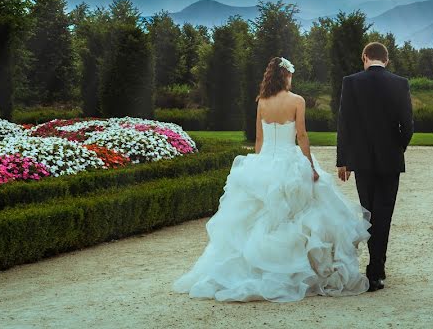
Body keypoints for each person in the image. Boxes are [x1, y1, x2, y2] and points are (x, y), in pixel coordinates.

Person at [173, 56, 371, 302]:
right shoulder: (297, 100)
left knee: (257, 220)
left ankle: (255, 267)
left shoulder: (262, 102)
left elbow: (259, 139)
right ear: (286, 75)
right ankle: (301, 269)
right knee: (304, 214)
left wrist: (259, 167)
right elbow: (302, 135)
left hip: (265, 161)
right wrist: (310, 166)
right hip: (290, 160)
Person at [336, 41, 414, 292]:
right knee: (384, 215)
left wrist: (343, 160)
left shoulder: (351, 82)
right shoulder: (400, 83)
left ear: (365, 57)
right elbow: (408, 125)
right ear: (386, 60)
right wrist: (397, 147)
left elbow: (344, 122)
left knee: (368, 214)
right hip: (390, 160)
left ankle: (374, 270)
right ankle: (377, 271)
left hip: (362, 161)